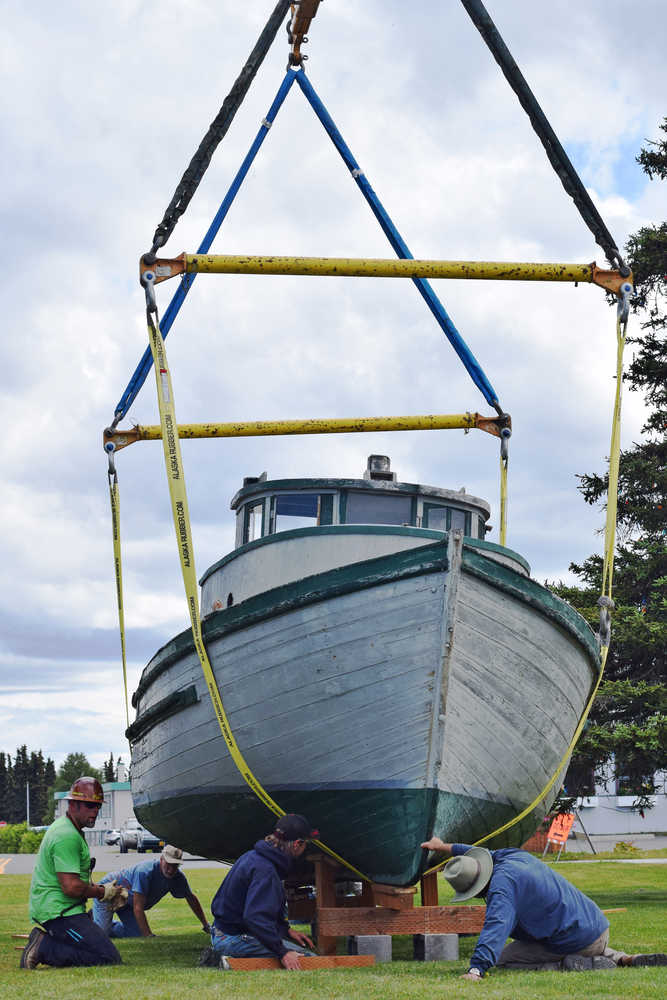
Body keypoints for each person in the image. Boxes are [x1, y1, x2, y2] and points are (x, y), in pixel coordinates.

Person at [421, 837, 667, 979]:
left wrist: (477, 969)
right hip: (596, 927)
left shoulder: (502, 890)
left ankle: (565, 965)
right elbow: (478, 853)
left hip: (578, 941)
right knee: (574, 939)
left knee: (505, 959)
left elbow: (496, 926)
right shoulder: (510, 856)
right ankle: (622, 958)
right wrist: (443, 847)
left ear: (478, 887)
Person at [21, 776, 127, 969]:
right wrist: (103, 892)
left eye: (97, 806)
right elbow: (71, 886)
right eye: (89, 805)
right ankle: (42, 947)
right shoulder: (66, 836)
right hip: (59, 913)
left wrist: (104, 890)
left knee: (103, 952)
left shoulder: (70, 828)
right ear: (73, 804)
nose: (95, 811)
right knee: (106, 958)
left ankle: (47, 943)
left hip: (64, 910)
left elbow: (76, 881)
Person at [209, 813, 319, 970]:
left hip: (222, 933)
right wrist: (283, 952)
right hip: (234, 938)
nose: (304, 849)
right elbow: (255, 917)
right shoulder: (265, 870)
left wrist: (286, 931)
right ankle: (229, 961)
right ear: (297, 844)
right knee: (308, 960)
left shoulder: (253, 857)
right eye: (305, 844)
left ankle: (227, 959)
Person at [92, 844, 210, 938]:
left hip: (129, 903)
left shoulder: (178, 877)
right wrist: (149, 935)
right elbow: (138, 908)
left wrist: (206, 925)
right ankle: (94, 921)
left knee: (136, 935)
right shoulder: (144, 872)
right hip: (109, 892)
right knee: (101, 935)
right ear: (161, 859)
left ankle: (107, 924)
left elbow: (191, 898)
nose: (170, 870)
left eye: (175, 866)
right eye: (168, 864)